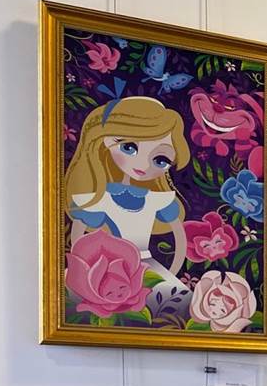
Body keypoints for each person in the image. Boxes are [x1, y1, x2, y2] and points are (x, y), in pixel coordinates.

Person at [64, 96, 191, 288]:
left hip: (146, 268)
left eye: (160, 160)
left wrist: (170, 275)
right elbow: (79, 243)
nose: (143, 165)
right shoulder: (99, 199)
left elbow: (180, 240)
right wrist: (88, 271)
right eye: (129, 147)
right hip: (107, 270)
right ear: (106, 140)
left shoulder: (156, 200)